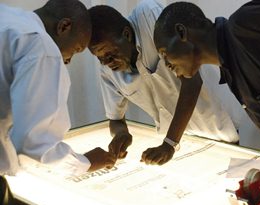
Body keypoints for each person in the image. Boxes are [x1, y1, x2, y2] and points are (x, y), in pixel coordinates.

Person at [153, 0, 260, 198]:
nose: (166, 64)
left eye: (164, 53)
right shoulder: (232, 72)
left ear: (182, 33)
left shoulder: (246, 23)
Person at [88, 0, 244, 166]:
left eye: (110, 54)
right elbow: (116, 119)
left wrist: (170, 143)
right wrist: (121, 134)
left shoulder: (148, 15)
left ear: (126, 35)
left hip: (217, 134)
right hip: (178, 145)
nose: (107, 62)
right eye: (100, 58)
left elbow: (192, 81)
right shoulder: (107, 68)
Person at [0, 0, 117, 179]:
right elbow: (35, 147)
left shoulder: (8, 18)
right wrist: (86, 163)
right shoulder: (40, 46)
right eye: (76, 50)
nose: (68, 60)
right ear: (64, 26)